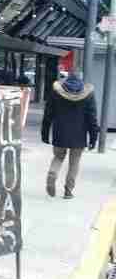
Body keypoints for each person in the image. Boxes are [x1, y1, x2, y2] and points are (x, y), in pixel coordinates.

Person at [42, 71, 99, 199]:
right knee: (74, 163)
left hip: (60, 132)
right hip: (79, 135)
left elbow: (48, 113)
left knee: (58, 157)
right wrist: (93, 139)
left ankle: (52, 173)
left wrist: (44, 133)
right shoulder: (88, 94)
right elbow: (92, 118)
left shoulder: (57, 91)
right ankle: (68, 191)